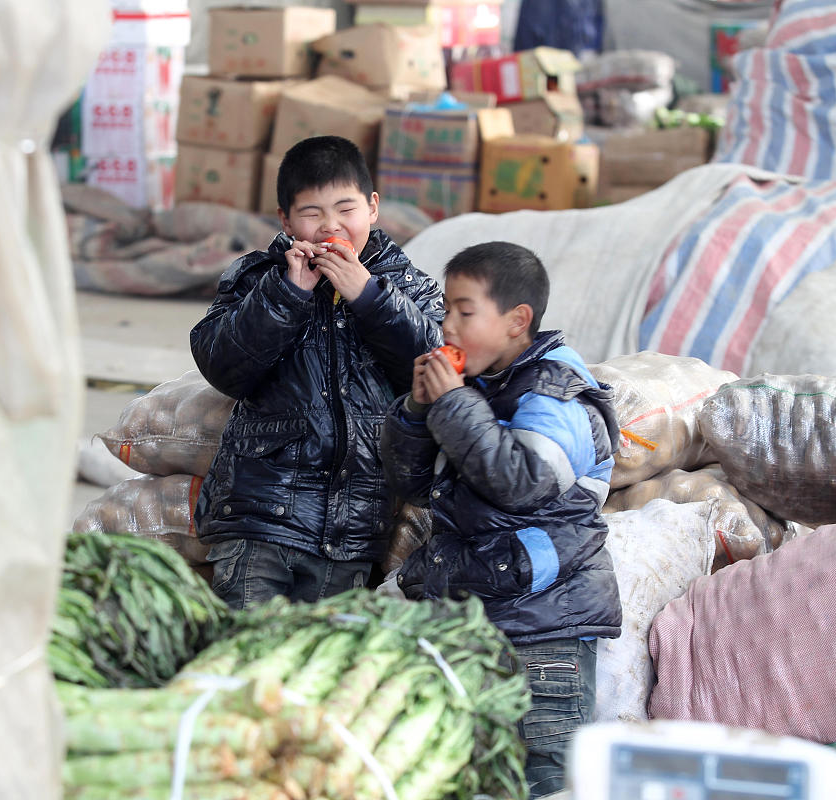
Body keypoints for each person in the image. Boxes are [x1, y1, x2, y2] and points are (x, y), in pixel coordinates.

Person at [380, 241, 622, 798]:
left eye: (465, 312)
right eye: (445, 311)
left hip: (543, 629)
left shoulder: (557, 391)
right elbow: (415, 487)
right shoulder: (480, 387)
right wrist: (417, 414)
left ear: (518, 321)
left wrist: (452, 406)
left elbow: (520, 482)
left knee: (542, 778)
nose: (447, 326)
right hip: (475, 618)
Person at [189, 135, 444, 610]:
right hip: (259, 517)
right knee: (247, 658)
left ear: (372, 207)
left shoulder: (404, 284)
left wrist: (370, 298)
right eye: (312, 213)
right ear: (285, 220)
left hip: (351, 528)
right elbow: (221, 365)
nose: (331, 226)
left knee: (314, 670)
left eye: (345, 209)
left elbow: (438, 369)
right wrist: (287, 295)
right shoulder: (257, 278)